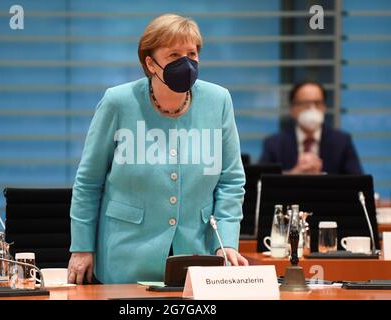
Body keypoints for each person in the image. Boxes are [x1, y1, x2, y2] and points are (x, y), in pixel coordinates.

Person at [68, 14, 248, 285]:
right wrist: (81, 247)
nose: (186, 62)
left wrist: (226, 242)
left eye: (192, 53)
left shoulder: (218, 100)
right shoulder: (118, 102)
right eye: (174, 54)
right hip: (125, 256)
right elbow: (88, 182)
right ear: (151, 63)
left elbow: (231, 181)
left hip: (197, 255)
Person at [259, 81, 363, 175]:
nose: (312, 108)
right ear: (293, 109)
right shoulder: (274, 144)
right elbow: (261, 184)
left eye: (317, 103)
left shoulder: (341, 142)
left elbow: (358, 183)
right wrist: (292, 175)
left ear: (324, 107)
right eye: (305, 104)